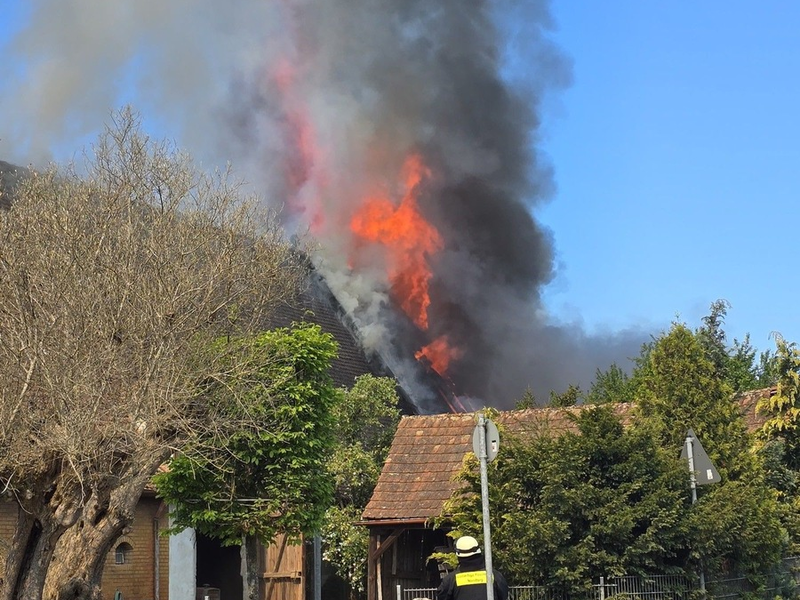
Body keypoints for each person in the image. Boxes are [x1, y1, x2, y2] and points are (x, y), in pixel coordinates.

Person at [436, 535, 508, 600]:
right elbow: (503, 595)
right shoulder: (495, 576)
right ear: (479, 552)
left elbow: (441, 596)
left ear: (458, 555)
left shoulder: (450, 580)